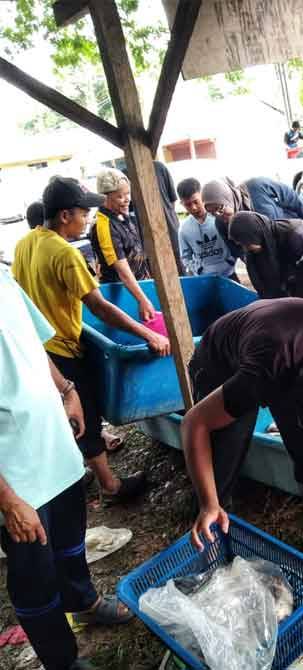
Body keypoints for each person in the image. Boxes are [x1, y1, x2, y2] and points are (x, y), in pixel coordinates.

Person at [0, 264, 134, 670]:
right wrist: (8, 503)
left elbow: (31, 343)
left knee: (71, 538)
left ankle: (84, 601)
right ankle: (62, 661)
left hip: (53, 446)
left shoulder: (3, 279)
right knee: (34, 576)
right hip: (16, 476)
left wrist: (66, 389)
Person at [180, 298, 303, 570]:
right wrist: (209, 503)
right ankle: (212, 524)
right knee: (224, 448)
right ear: (289, 396)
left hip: (278, 346)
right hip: (220, 360)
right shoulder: (267, 371)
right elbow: (193, 424)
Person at [12, 177, 168, 505]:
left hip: (38, 348)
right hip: (62, 348)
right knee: (87, 413)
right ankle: (109, 486)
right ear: (65, 215)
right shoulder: (64, 253)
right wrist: (148, 333)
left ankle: (80, 466)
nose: (87, 220)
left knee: (65, 415)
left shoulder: (26, 243)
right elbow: (98, 306)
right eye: (84, 213)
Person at [228, 212, 303, 310]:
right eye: (241, 244)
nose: (245, 248)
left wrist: (294, 310)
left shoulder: (294, 234)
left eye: (245, 243)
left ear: (253, 234)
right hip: (299, 262)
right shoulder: (256, 248)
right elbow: (265, 287)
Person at [89, 168, 157, 322]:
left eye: (128, 194)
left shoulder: (123, 215)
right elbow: (122, 270)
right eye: (120, 196)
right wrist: (142, 300)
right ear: (104, 198)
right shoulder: (103, 225)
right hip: (123, 294)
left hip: (141, 286)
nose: (127, 200)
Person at [176, 177, 240, 281]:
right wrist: (198, 269)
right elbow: (185, 257)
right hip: (204, 279)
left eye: (196, 201)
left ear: (202, 196)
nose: (194, 208)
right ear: (182, 204)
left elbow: (235, 242)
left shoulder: (220, 217)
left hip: (229, 274)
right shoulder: (183, 229)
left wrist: (231, 261)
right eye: (188, 204)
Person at [202, 176, 303, 229]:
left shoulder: (257, 186)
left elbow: (290, 196)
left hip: (295, 234)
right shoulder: (221, 224)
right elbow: (238, 251)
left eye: (220, 208)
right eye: (212, 213)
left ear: (227, 198)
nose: (218, 215)